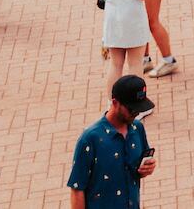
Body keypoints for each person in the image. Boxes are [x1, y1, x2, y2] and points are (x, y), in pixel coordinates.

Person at [67, 74, 158, 209]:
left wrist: (146, 169)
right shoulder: (90, 139)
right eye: (132, 109)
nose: (136, 114)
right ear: (115, 103)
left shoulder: (137, 128)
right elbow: (77, 188)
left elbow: (136, 170)